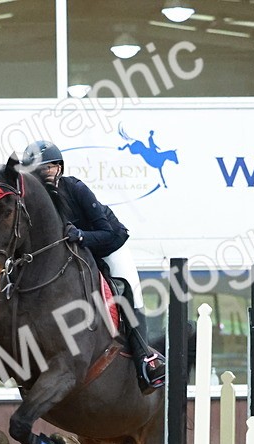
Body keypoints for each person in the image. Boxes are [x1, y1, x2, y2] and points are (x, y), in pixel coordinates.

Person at [21, 140, 165, 393]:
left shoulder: (75, 188)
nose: (44, 176)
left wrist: (81, 236)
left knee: (126, 290)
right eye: (37, 172)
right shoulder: (32, 203)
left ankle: (144, 358)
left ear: (59, 168)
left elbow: (107, 232)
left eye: (49, 169)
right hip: (75, 255)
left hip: (107, 245)